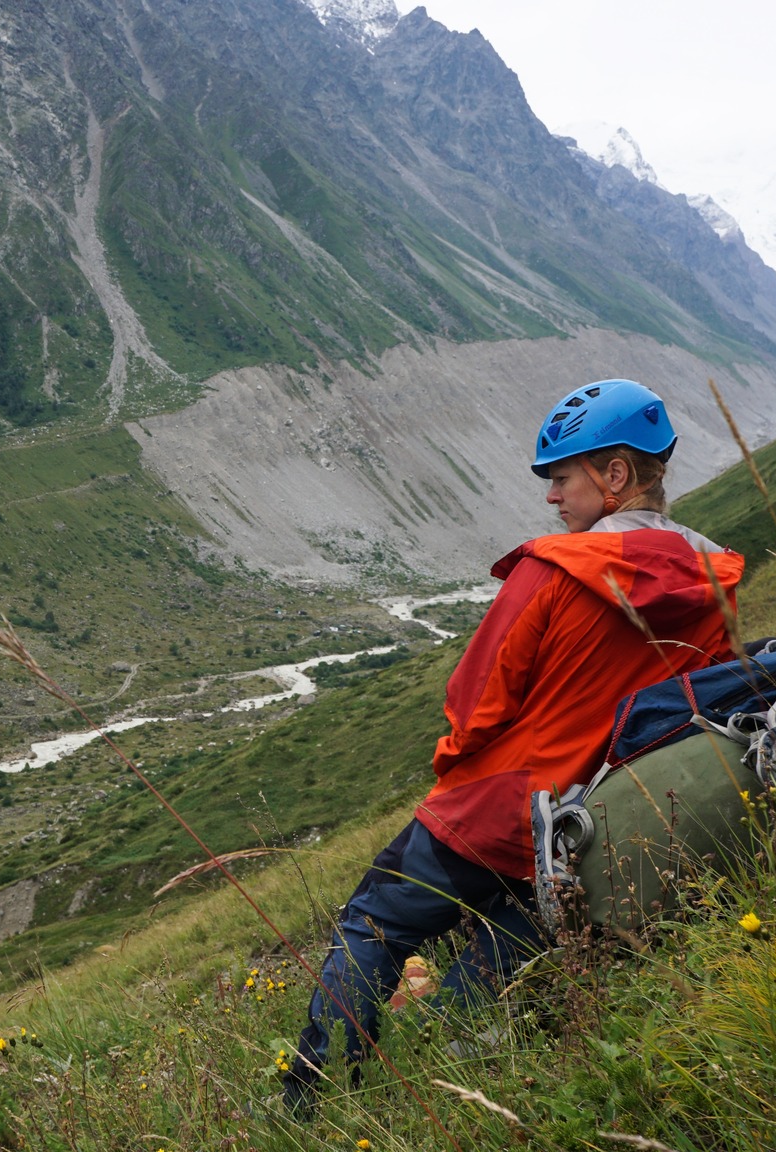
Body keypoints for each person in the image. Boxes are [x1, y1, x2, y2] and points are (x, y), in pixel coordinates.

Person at [284, 379, 744, 1112]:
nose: (553, 498)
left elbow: (475, 700)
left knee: (369, 927)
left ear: (615, 474)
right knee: (510, 950)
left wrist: (453, 777)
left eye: (562, 477)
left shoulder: (554, 569)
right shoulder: (711, 579)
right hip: (593, 822)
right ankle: (429, 1076)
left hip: (494, 810)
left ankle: (314, 1102)